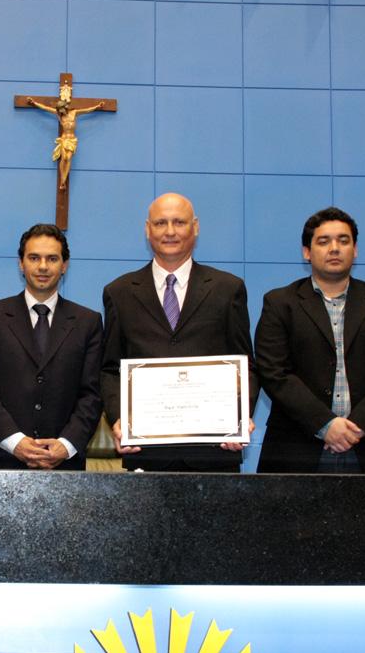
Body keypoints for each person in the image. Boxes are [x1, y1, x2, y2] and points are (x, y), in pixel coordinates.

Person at [101, 192, 258, 472]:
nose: (170, 231)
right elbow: (110, 369)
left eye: (179, 222)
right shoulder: (119, 292)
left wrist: (239, 416)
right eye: (161, 223)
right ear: (148, 229)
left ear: (195, 227)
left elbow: (246, 366)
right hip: (146, 453)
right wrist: (118, 419)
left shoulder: (227, 289)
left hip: (213, 453)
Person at [255, 207, 365, 474]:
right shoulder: (280, 303)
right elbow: (274, 373)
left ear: (355, 250)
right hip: (297, 446)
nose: (334, 248)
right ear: (306, 252)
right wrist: (326, 424)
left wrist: (357, 426)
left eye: (343, 240)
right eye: (323, 241)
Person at [0, 224, 103, 470]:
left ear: (64, 265)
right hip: (1, 461)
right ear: (21, 264)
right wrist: (15, 442)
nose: (43, 266)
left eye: (52, 259)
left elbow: (92, 394)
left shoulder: (88, 322)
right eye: (34, 258)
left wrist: (66, 444)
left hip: (65, 465)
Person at [25, 83, 105, 189]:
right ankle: (62, 181)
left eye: (61, 109)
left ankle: (64, 179)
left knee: (69, 158)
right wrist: (34, 103)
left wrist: (97, 106)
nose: (60, 112)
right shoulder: (59, 115)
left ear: (65, 107)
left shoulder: (74, 113)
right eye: (59, 110)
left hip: (72, 140)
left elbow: (87, 110)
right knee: (64, 158)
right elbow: (45, 108)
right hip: (64, 139)